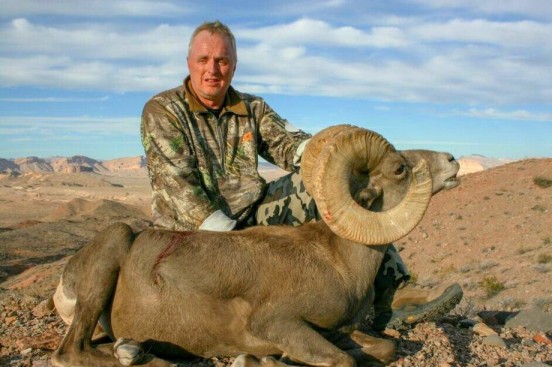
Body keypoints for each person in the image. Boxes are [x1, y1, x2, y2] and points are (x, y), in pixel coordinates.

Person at [140, 20, 462, 331]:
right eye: (203, 59)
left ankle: (391, 294)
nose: (212, 69)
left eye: (222, 60)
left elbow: (293, 146)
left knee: (334, 184)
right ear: (189, 63)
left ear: (234, 66)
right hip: (194, 236)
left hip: (250, 216)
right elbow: (181, 190)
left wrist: (339, 156)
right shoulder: (163, 111)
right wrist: (238, 245)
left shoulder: (252, 108)